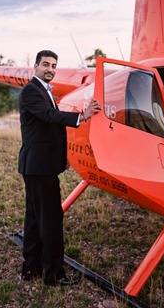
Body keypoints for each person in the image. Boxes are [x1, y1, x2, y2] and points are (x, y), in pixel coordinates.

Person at [18, 49, 101, 286]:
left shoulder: (44, 91)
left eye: (54, 66)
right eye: (46, 64)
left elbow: (51, 129)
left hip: (39, 165)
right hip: (39, 168)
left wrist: (63, 156)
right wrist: (82, 116)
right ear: (35, 66)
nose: (50, 69)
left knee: (34, 219)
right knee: (51, 221)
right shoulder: (31, 92)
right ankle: (54, 275)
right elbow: (49, 117)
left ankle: (30, 268)